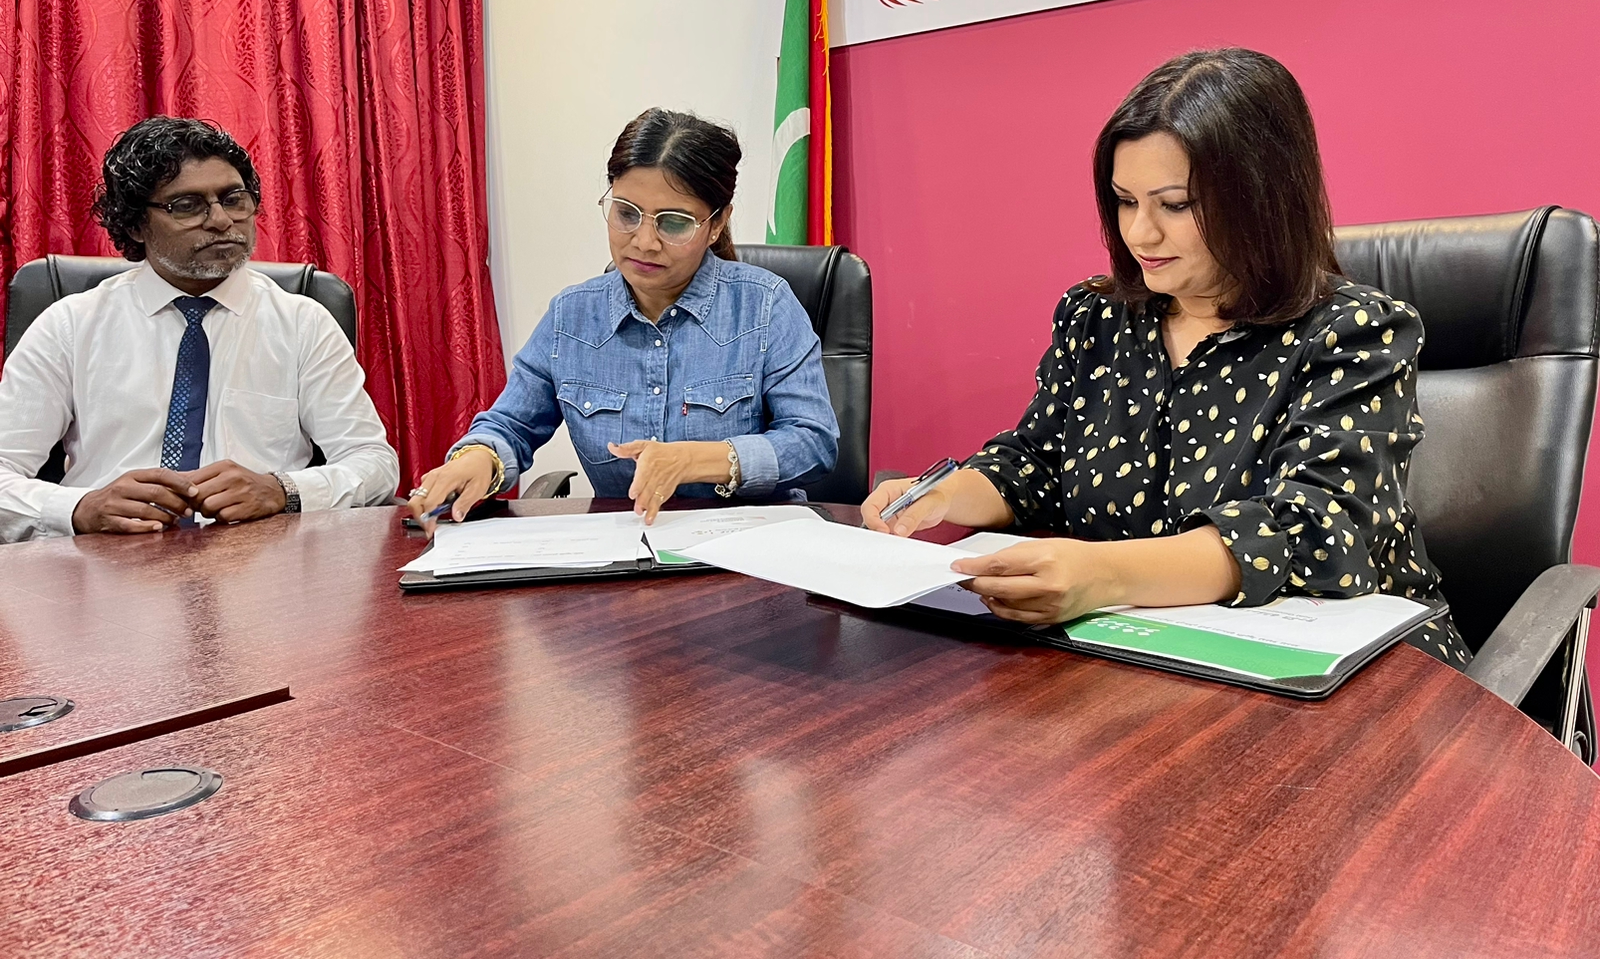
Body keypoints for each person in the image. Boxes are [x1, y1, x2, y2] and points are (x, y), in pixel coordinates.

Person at [862, 49, 1471, 670]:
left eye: (1174, 205)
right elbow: (1037, 464)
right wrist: (944, 496)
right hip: (1141, 653)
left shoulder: (1355, 332)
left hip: (1347, 669)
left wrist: (1101, 574)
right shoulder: (1096, 317)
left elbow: (1312, 531)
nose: (1140, 234)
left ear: (1261, 198)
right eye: (1125, 201)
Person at [409, 109, 839, 531]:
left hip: (748, 547)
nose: (645, 242)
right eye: (627, 214)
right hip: (624, 549)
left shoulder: (764, 306)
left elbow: (813, 441)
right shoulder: (572, 316)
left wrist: (697, 459)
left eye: (674, 223)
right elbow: (511, 425)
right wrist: (478, 458)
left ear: (716, 224)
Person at [0, 117, 401, 543]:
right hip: (107, 558)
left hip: (260, 561)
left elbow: (373, 463)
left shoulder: (304, 323)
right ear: (136, 224)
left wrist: (283, 491)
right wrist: (80, 508)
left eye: (234, 199)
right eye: (187, 205)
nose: (221, 220)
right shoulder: (69, 327)